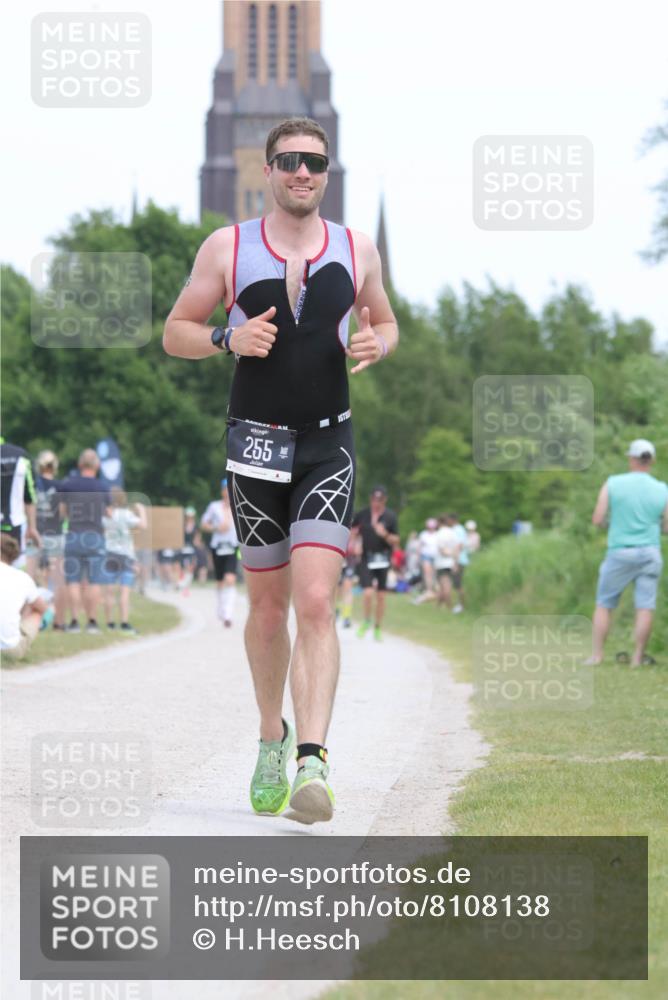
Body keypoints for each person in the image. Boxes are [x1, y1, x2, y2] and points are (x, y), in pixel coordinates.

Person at [163, 116, 398, 822]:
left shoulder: (356, 249)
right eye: (291, 161)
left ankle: (312, 764)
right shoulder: (228, 247)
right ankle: (273, 735)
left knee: (317, 602)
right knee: (267, 610)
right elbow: (175, 332)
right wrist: (226, 336)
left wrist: (377, 343)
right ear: (268, 170)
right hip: (255, 445)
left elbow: (385, 320)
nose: (304, 173)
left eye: (316, 164)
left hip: (330, 443)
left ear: (327, 174)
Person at [586, 439, 668, 667]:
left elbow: (597, 518)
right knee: (645, 605)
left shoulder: (613, 483)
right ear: (651, 460)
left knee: (604, 603)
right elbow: (667, 526)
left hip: (620, 552)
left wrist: (612, 525)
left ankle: (597, 656)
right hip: (651, 552)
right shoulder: (662, 488)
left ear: (631, 459)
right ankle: (637, 657)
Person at [58, 448, 112, 634]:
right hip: (95, 536)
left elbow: (62, 512)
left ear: (80, 464)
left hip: (73, 535)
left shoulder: (68, 485)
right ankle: (92, 622)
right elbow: (109, 513)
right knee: (94, 581)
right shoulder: (103, 487)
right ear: (97, 466)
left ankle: (73, 622)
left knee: (72, 581)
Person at [353, 486, 400, 641]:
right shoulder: (363, 514)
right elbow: (353, 531)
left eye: (379, 500)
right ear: (370, 499)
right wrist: (355, 543)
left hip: (383, 559)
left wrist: (384, 534)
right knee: (367, 593)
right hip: (366, 558)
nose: (376, 503)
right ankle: (366, 620)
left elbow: (396, 540)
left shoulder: (390, 516)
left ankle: (377, 627)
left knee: (381, 596)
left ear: (385, 500)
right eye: (374, 499)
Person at [32, 450, 68, 630]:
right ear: (54, 466)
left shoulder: (33, 484)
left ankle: (29, 619)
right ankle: (58, 622)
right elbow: (63, 512)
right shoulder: (60, 485)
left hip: (36, 533)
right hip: (55, 534)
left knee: (31, 578)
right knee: (58, 579)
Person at [102, 488, 147, 633]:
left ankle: (109, 624)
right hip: (126, 555)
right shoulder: (126, 514)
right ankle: (124, 623)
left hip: (109, 554)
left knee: (109, 592)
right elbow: (143, 525)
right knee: (124, 592)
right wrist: (142, 510)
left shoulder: (105, 515)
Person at [0, 535, 49, 660]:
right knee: (36, 611)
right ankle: (15, 635)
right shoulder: (23, 578)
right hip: (9, 650)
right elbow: (43, 609)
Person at [200, 479, 240, 627]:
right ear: (222, 491)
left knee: (230, 579)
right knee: (220, 581)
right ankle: (221, 608)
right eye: (225, 489)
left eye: (230, 490)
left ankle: (228, 614)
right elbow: (203, 524)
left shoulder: (238, 506)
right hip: (218, 546)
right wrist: (216, 527)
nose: (228, 493)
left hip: (233, 546)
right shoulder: (214, 506)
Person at [0, 437, 40, 556]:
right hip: (15, 526)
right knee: (13, 570)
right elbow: (30, 496)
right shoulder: (21, 456)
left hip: (14, 524)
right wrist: (32, 527)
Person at [433, 514, 461, 610]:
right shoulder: (452, 532)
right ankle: (438, 606)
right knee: (444, 586)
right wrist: (456, 561)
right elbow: (458, 547)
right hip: (452, 563)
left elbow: (442, 550)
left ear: (439, 523)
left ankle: (449, 607)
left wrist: (450, 554)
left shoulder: (439, 533)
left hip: (442, 563)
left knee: (445, 586)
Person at [336, 523, 362, 628]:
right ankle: (337, 610)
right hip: (340, 563)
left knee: (347, 588)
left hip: (350, 565)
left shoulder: (359, 539)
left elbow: (359, 553)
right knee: (338, 589)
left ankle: (346, 616)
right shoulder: (342, 535)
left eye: (356, 529)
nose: (354, 531)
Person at [412, 518, 439, 603]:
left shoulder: (438, 534)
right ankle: (429, 590)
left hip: (436, 556)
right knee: (427, 574)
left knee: (434, 574)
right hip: (426, 556)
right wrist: (418, 557)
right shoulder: (423, 534)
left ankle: (436, 589)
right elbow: (420, 547)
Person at [448, 512, 469, 613]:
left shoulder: (457, 530)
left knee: (458, 584)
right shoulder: (461, 529)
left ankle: (461, 605)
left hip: (459, 560)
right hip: (461, 559)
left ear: (452, 520)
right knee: (458, 584)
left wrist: (455, 561)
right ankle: (460, 604)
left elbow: (459, 545)